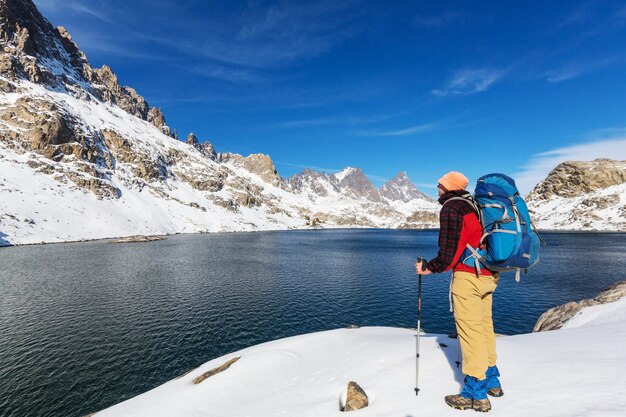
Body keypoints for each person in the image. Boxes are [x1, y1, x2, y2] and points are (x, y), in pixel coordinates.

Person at [415, 171, 503, 413]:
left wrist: (429, 268)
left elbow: (449, 251)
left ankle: (475, 395)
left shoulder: (452, 208)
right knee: (484, 327)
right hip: (488, 275)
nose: (437, 188)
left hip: (469, 278)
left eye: (440, 185)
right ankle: (492, 380)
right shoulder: (473, 205)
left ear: (450, 187)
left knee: (470, 333)